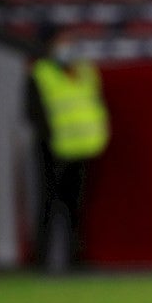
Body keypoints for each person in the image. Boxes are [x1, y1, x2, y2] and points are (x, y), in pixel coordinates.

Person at [27, 25, 110, 272]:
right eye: (62, 41)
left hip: (83, 149)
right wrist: (50, 140)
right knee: (48, 206)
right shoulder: (40, 72)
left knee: (77, 209)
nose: (68, 46)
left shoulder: (84, 70)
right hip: (52, 151)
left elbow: (95, 103)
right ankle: (41, 262)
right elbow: (33, 113)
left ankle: (76, 260)